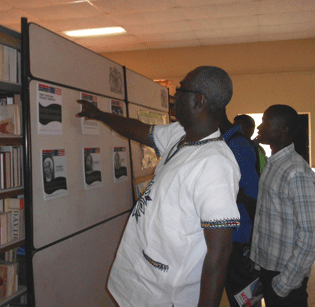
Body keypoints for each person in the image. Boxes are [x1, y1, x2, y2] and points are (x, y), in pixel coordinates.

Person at [76, 66, 241, 307]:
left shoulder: (215, 164)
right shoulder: (181, 134)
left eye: (180, 89)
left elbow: (219, 253)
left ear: (199, 101)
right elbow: (138, 130)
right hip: (141, 279)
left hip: (165, 295)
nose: (175, 95)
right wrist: (100, 115)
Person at [250, 104, 315, 307]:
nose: (259, 127)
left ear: (282, 130)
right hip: (269, 270)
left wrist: (284, 283)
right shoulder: (273, 164)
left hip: (285, 276)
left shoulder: (295, 171)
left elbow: (311, 233)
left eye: (265, 122)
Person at [219, 110, 260, 307]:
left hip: (241, 232)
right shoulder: (231, 141)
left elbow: (253, 192)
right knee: (237, 289)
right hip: (235, 230)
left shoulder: (236, 144)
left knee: (242, 293)